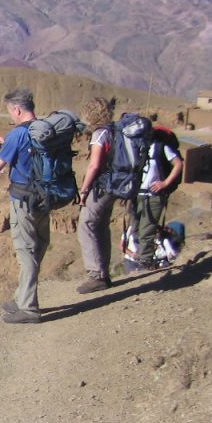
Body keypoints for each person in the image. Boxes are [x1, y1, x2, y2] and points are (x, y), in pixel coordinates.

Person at [0, 88, 44, 324]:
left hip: (23, 198)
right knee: (36, 247)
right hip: (45, 198)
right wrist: (5, 142)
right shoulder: (43, 129)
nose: (11, 116)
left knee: (25, 251)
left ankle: (28, 308)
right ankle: (22, 297)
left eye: (10, 112)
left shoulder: (18, 133)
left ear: (17, 109)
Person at [74, 97, 118, 293]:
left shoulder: (100, 134)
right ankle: (104, 274)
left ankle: (96, 274)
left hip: (102, 185)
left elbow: (94, 165)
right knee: (101, 227)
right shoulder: (116, 131)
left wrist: (84, 190)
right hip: (115, 186)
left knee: (86, 224)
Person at [130, 127, 183, 269]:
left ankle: (145, 261)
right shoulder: (138, 147)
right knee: (135, 229)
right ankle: (140, 258)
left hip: (153, 196)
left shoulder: (161, 147)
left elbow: (178, 163)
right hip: (137, 194)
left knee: (147, 230)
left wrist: (165, 183)